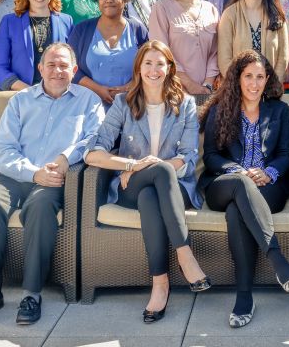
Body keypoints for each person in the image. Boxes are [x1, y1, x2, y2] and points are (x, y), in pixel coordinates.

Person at [0, 43, 104, 326]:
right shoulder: (19, 101)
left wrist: (66, 158)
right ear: (40, 68)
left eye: (64, 65)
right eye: (51, 65)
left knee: (41, 208)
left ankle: (32, 294)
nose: (57, 70)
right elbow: (3, 149)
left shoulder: (89, 101)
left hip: (55, 179)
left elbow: (93, 139)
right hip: (14, 176)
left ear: (74, 70)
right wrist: (32, 173)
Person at [85, 41, 210, 322]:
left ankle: (160, 285)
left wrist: (152, 165)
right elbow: (94, 154)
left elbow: (188, 158)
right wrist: (132, 165)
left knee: (153, 191)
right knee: (153, 179)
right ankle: (184, 255)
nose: (154, 70)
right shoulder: (122, 103)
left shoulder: (186, 105)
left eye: (160, 64)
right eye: (148, 64)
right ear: (139, 68)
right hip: (131, 185)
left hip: (175, 187)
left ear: (169, 69)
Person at [199, 50, 289, 328]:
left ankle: (244, 296)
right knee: (238, 189)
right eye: (248, 77)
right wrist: (239, 171)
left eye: (260, 76)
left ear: (267, 79)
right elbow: (210, 156)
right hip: (225, 184)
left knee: (236, 213)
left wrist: (268, 173)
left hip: (268, 188)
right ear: (238, 79)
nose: (254, 83)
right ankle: (277, 260)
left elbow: (285, 154)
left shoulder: (279, 110)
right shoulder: (222, 110)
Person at [149, 0, 219, 96]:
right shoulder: (161, 9)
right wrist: (190, 85)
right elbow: (162, 53)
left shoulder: (211, 10)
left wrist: (207, 84)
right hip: (172, 92)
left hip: (207, 92)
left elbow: (215, 52)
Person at [68, 0, 149, 105]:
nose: (108, 0)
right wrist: (98, 90)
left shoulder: (138, 30)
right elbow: (69, 66)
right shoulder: (82, 29)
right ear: (98, 1)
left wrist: (127, 88)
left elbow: (149, 65)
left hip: (130, 105)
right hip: (88, 106)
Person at [0, 0, 74, 90]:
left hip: (59, 96)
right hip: (22, 95)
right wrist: (28, 91)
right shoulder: (10, 22)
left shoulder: (66, 21)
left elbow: (72, 63)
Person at [217, 0, 288, 82]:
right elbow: (224, 60)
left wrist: (272, 84)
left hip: (269, 90)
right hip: (238, 90)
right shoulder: (230, 15)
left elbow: (283, 58)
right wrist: (243, 85)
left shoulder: (277, 15)